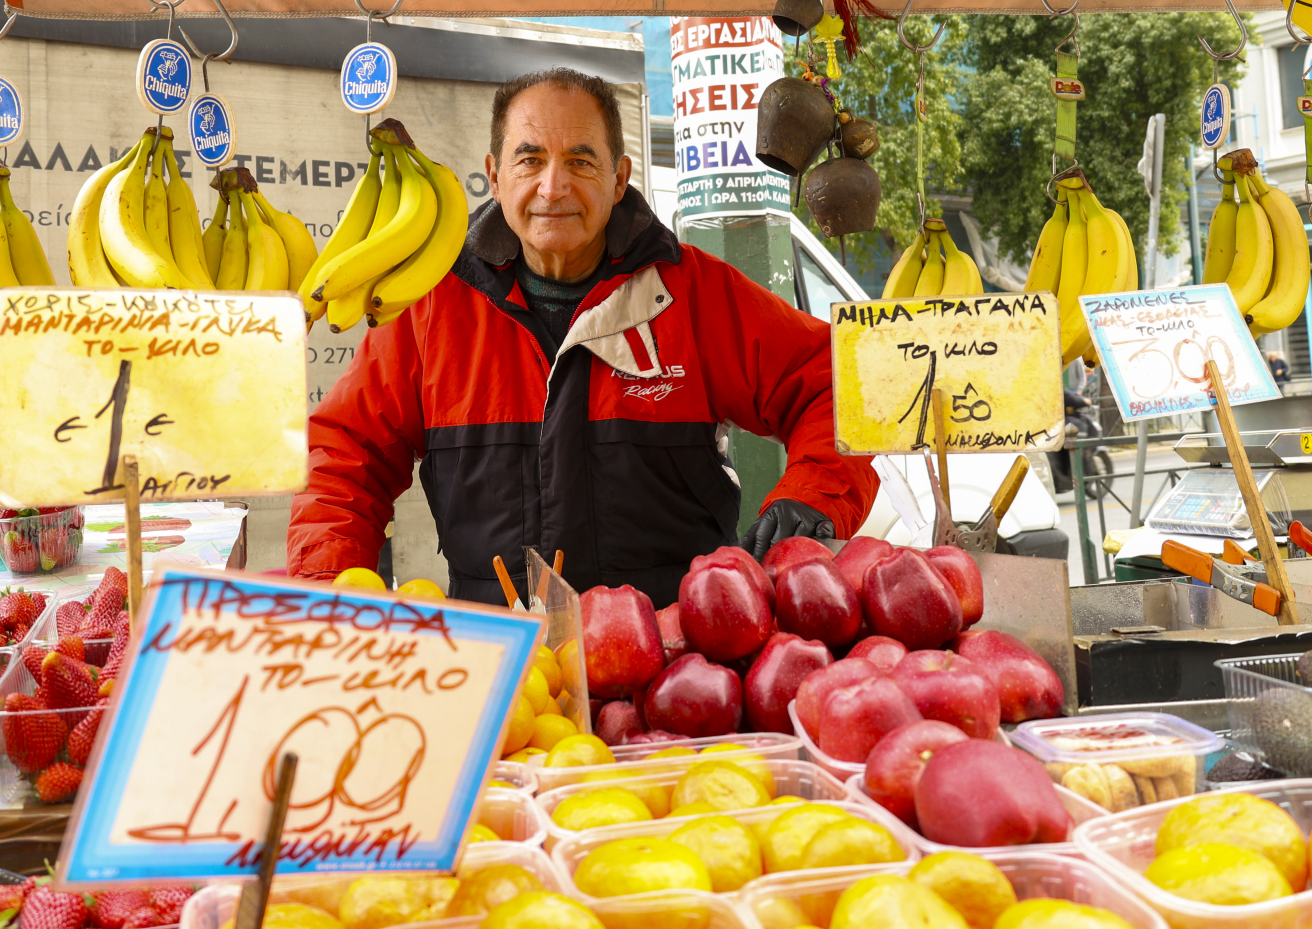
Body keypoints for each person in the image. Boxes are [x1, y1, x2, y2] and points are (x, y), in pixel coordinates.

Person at [288, 68, 878, 606]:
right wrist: (327, 604)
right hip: (504, 652)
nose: (553, 186)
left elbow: (837, 383)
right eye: (529, 159)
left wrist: (812, 495)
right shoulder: (432, 309)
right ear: (494, 176)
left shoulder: (692, 294)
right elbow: (343, 458)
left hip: (677, 652)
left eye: (581, 160)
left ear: (620, 178)